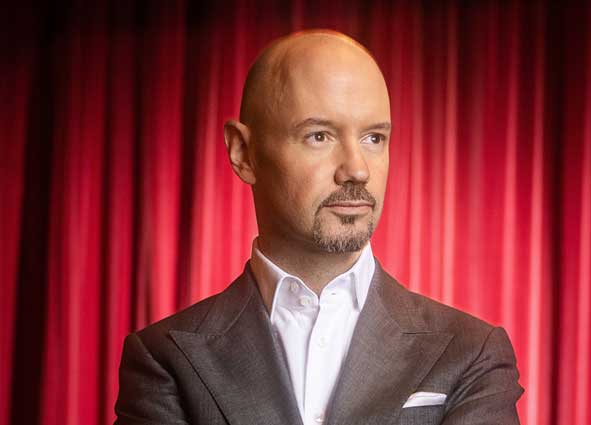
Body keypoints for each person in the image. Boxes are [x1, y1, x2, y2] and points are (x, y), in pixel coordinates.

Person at [115, 30, 523, 425]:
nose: (357, 170)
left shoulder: (472, 355)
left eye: (374, 138)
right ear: (243, 152)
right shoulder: (164, 360)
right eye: (319, 136)